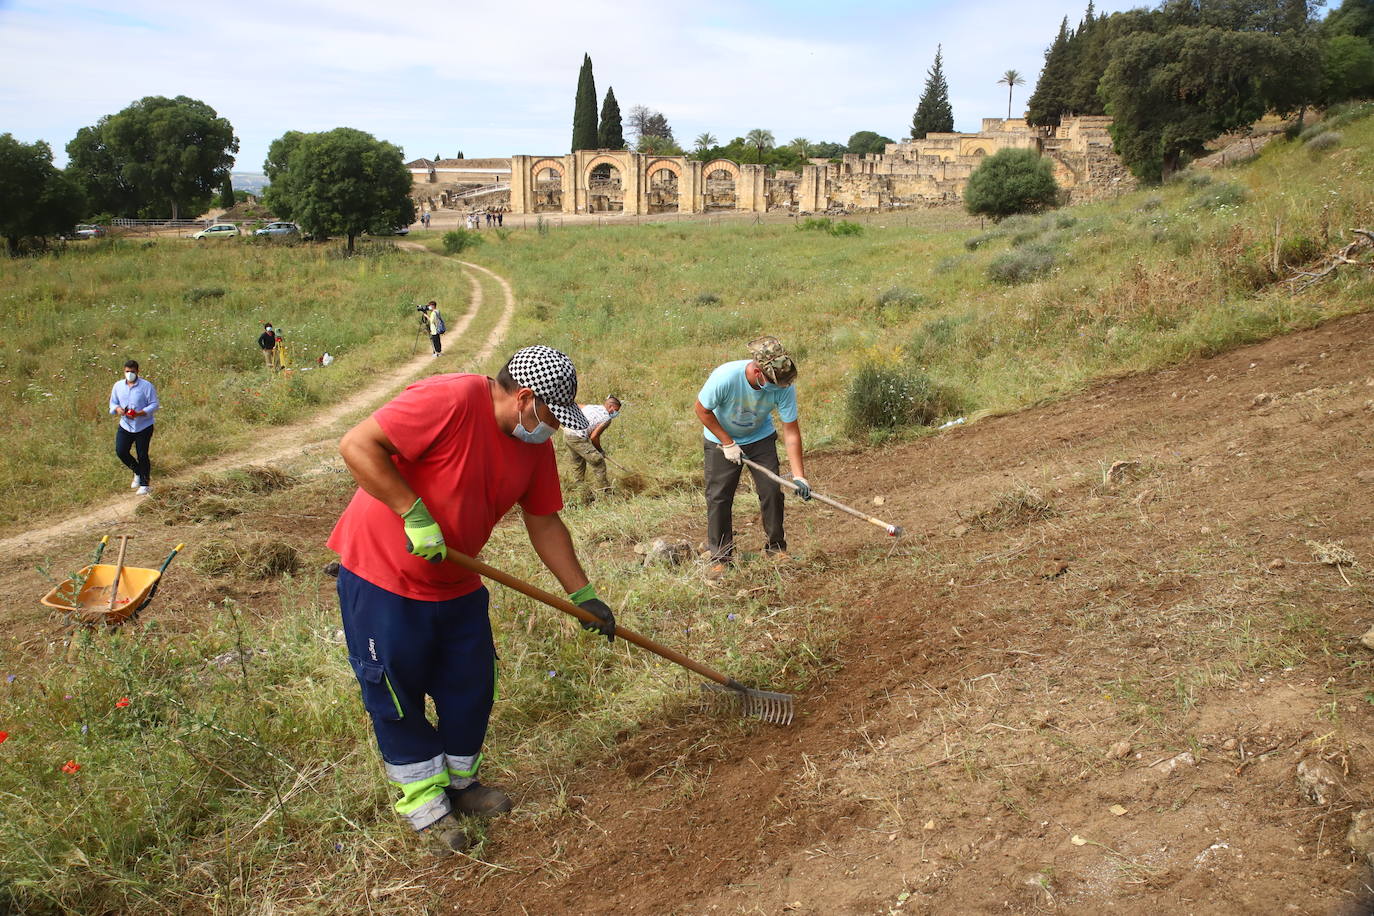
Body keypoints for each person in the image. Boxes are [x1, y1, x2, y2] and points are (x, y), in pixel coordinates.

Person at [327, 345, 616, 855]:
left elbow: (544, 520)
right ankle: (425, 805)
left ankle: (460, 785)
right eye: (550, 417)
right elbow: (357, 445)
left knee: (471, 685)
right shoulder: (451, 399)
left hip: (456, 581)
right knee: (396, 694)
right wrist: (411, 512)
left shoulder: (534, 447)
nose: (551, 429)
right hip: (381, 576)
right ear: (525, 399)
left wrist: (584, 595)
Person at [693, 336, 810, 579]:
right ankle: (721, 556)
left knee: (771, 491)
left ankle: (776, 548)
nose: (778, 388)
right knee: (719, 497)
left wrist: (799, 476)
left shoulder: (783, 385)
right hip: (719, 440)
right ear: (757, 371)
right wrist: (727, 442)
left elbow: (790, 432)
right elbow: (701, 409)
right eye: (772, 382)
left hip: (760, 438)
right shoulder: (725, 377)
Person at [109, 359, 160, 496]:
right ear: (123, 371)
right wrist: (117, 409)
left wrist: (140, 413)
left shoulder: (146, 386)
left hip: (143, 425)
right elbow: (113, 403)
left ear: (138, 371)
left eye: (132, 372)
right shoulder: (118, 386)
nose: (129, 374)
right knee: (121, 451)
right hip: (125, 425)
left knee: (142, 454)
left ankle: (145, 483)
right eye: (127, 371)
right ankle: (137, 471)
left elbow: (154, 404)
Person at [561, 395, 621, 501]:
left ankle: (580, 492)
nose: (615, 413)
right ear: (611, 407)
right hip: (577, 437)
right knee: (598, 462)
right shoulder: (606, 418)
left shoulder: (592, 407)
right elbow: (594, 437)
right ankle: (606, 493)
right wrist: (600, 451)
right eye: (616, 410)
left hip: (568, 433)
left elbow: (577, 406)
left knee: (578, 464)